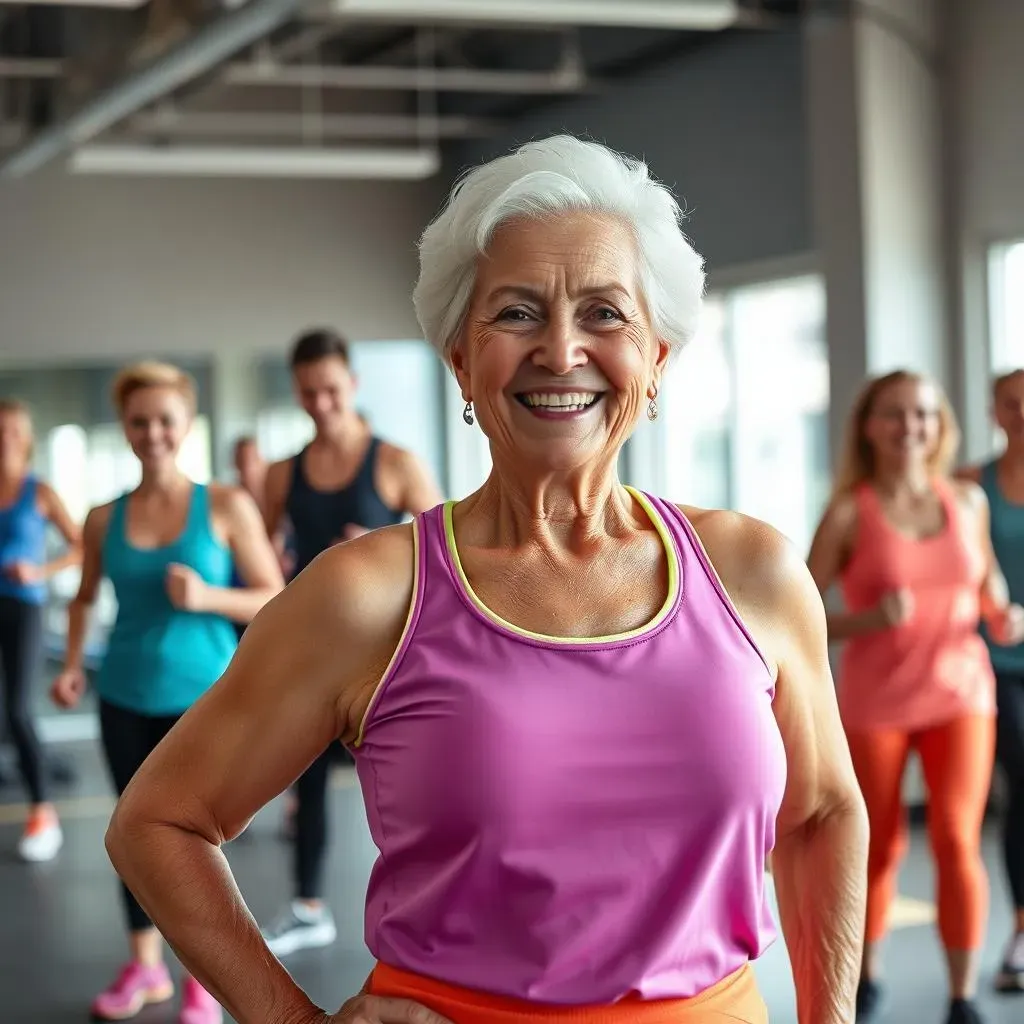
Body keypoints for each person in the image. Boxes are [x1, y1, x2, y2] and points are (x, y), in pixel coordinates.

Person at [104, 136, 869, 1024]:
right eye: (515, 314)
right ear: (462, 360)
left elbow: (821, 815)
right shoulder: (369, 596)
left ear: (657, 359)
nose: (560, 349)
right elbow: (157, 823)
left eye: (604, 313)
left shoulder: (755, 574)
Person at [50, 362, 284, 1024]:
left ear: (185, 425)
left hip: (203, 702)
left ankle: (203, 981)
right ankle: (145, 967)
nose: (152, 432)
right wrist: (71, 665)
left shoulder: (228, 505)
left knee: (195, 844)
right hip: (122, 694)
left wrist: (208, 596)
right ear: (125, 429)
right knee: (131, 838)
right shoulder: (102, 518)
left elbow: (276, 598)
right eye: (138, 421)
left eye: (165, 420)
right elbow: (84, 598)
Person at [808, 369, 1024, 1024]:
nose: (911, 427)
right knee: (878, 846)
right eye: (895, 414)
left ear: (941, 425)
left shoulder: (968, 500)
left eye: (924, 414)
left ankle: (962, 996)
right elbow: (801, 609)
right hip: (877, 700)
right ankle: (866, 977)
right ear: (868, 427)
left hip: (962, 691)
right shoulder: (850, 511)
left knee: (959, 838)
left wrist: (1003, 614)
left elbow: (986, 584)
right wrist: (865, 622)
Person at [257, 327, 443, 956]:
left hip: (386, 647)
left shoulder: (394, 462)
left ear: (352, 386)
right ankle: (309, 906)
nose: (322, 403)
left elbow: (448, 553)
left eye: (332, 390)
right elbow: (259, 556)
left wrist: (384, 546)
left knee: (407, 776)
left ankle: (430, 904)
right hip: (314, 646)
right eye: (309, 393)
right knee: (303, 776)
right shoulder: (283, 474)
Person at [956, 368, 1024, 993]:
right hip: (998, 665)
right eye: (1012, 404)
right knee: (1023, 791)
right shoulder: (971, 486)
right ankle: (1022, 932)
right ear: (994, 413)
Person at [0, 398, 82, 861]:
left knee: (16, 710)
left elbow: (79, 549)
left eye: (13, 429)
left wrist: (38, 571)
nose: (5, 437)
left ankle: (42, 813)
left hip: (24, 607)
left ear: (26, 437)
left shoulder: (40, 491)